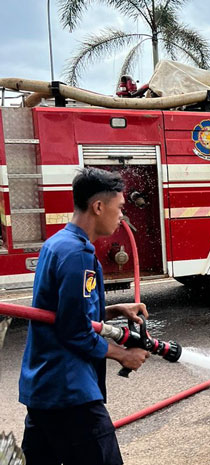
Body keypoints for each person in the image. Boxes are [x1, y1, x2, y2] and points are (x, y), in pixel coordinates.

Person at [19, 167, 150, 465]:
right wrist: (123, 355)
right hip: (70, 392)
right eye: (118, 209)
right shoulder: (77, 254)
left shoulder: (57, 243)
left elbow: (63, 312)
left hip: (43, 388)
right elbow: (74, 329)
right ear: (98, 206)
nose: (121, 217)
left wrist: (114, 310)